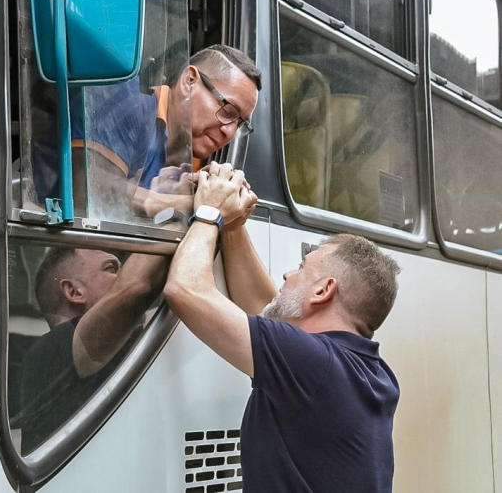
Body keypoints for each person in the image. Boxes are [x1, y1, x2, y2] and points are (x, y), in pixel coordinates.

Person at [164, 162, 401, 492]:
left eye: (301, 267)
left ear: (323, 291)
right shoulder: (371, 373)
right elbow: (266, 312)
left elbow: (185, 289)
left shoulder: (314, 363)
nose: (288, 275)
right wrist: (234, 226)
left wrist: (210, 211)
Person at [32, 45, 262, 221]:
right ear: (189, 81)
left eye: (240, 125)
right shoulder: (126, 98)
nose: (229, 132)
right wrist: (199, 204)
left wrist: (191, 189)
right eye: (228, 111)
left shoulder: (181, 153)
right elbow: (90, 190)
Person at [17, 248, 168, 454]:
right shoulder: (46, 352)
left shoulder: (129, 343)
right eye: (111, 269)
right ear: (74, 292)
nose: (125, 275)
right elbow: (136, 287)